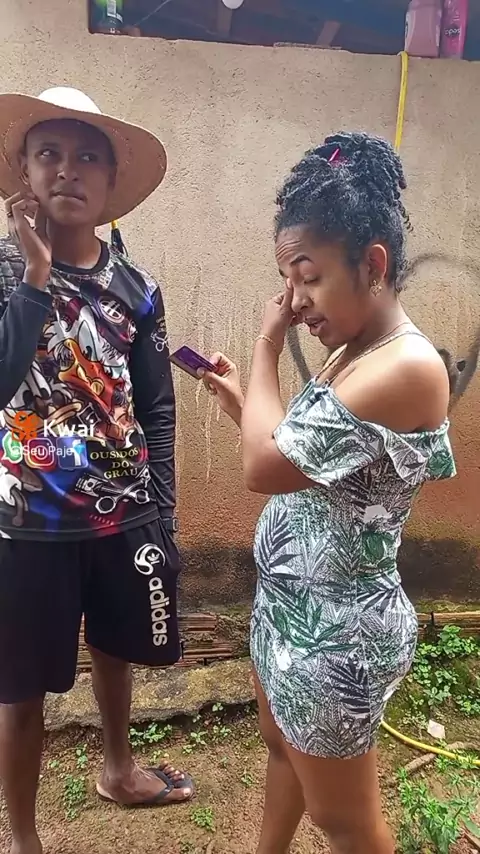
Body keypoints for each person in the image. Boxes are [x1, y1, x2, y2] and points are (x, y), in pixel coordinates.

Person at [201, 132, 455, 854]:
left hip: (338, 634)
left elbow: (264, 467)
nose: (293, 300)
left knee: (345, 821)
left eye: (306, 276)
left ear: (372, 264)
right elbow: (309, 459)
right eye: (286, 279)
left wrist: (264, 347)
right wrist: (242, 404)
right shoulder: (354, 348)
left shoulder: (408, 366)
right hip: (290, 611)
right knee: (281, 751)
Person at [0, 86, 193, 854]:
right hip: (26, 525)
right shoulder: (4, 274)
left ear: (111, 183)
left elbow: (158, 409)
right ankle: (23, 837)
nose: (67, 170)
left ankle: (119, 769)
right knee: (19, 691)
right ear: (23, 169)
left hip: (123, 515)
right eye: (48, 153)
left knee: (116, 653)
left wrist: (164, 518)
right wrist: (34, 277)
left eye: (87, 157)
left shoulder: (136, 290)